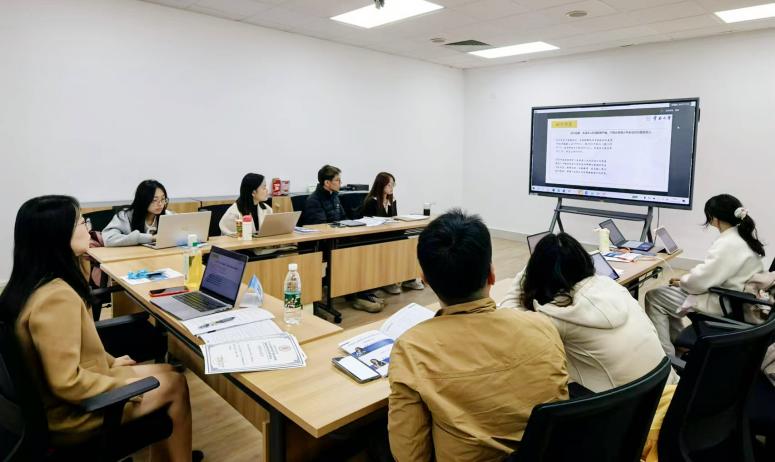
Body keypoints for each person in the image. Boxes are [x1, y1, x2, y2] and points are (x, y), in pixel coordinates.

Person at [0, 196, 199, 461]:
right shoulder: (55, 298)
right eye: (82, 222)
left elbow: (73, 348)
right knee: (175, 384)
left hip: (59, 398)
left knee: (169, 372)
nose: (89, 228)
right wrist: (122, 386)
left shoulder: (30, 285)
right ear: (58, 236)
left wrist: (112, 362)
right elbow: (66, 382)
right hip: (71, 414)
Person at [388, 210, 569, 461]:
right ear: (492, 274)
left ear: (425, 280)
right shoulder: (542, 326)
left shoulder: (411, 349)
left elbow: (410, 455)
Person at [499, 232, 678, 392]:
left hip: (635, 410)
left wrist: (529, 270)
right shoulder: (612, 286)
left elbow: (507, 316)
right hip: (671, 392)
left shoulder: (560, 315)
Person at [645, 194, 766, 355]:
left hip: (724, 303)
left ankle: (665, 357)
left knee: (654, 296)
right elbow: (713, 273)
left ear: (714, 219)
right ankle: (680, 345)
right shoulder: (742, 236)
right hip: (740, 299)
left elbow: (699, 283)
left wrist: (684, 281)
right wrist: (685, 280)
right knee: (667, 296)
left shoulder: (728, 243)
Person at [304, 165, 384, 313]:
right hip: (323, 244)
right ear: (327, 183)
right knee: (353, 252)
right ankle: (355, 296)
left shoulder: (334, 196)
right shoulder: (313, 200)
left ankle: (362, 292)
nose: (340, 183)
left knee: (364, 248)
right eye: (337, 180)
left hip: (338, 239)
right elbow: (322, 227)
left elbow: (343, 218)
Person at [361, 172, 424, 295]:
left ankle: (409, 279)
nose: (391, 188)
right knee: (391, 247)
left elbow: (393, 219)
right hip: (375, 237)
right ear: (381, 185)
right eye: (389, 185)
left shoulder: (392, 200)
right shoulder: (371, 201)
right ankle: (388, 281)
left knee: (408, 244)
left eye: (393, 185)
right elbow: (369, 224)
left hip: (390, 234)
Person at [102, 179, 172, 247]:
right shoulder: (125, 216)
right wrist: (150, 238)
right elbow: (109, 239)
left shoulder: (168, 215)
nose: (160, 204)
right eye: (154, 200)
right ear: (142, 200)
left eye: (163, 199)